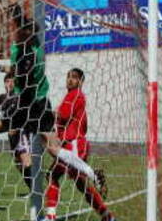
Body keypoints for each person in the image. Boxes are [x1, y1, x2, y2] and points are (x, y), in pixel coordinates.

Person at [43, 69, 116, 221]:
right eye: (68, 76)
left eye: (74, 77)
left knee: (53, 175)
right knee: (79, 184)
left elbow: (62, 115)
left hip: (73, 145)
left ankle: (50, 216)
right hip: (74, 144)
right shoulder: (74, 96)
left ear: (81, 82)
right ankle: (107, 216)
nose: (70, 80)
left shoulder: (75, 95)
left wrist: (44, 112)